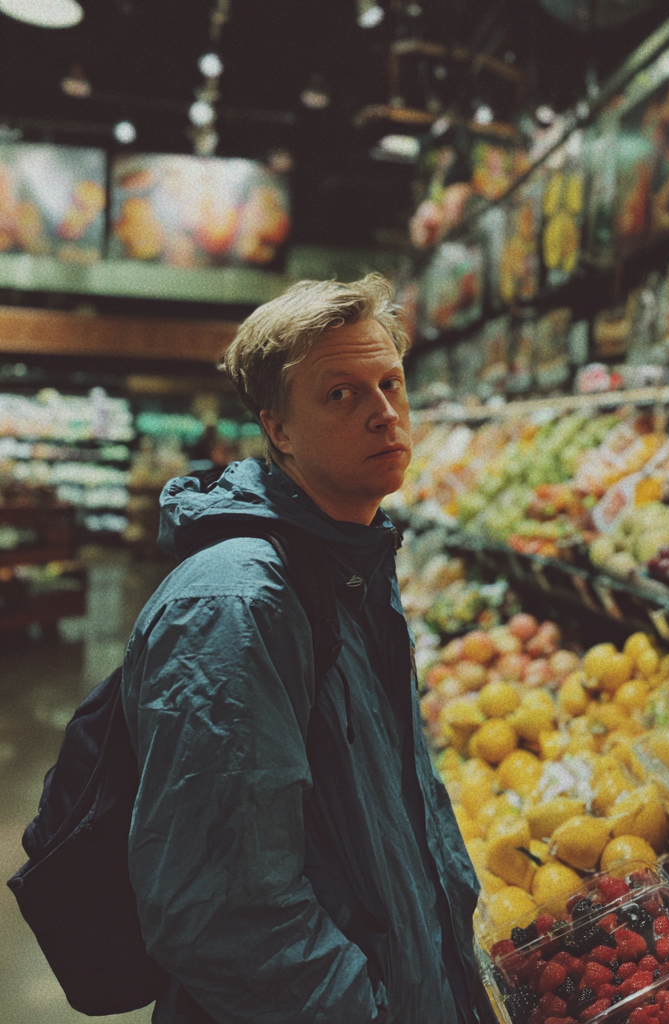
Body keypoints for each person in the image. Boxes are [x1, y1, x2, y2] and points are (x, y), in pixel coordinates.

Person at [121, 274, 490, 1024]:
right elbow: (220, 918)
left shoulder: (348, 567)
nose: (385, 412)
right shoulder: (236, 606)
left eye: (390, 382)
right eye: (341, 395)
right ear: (278, 428)